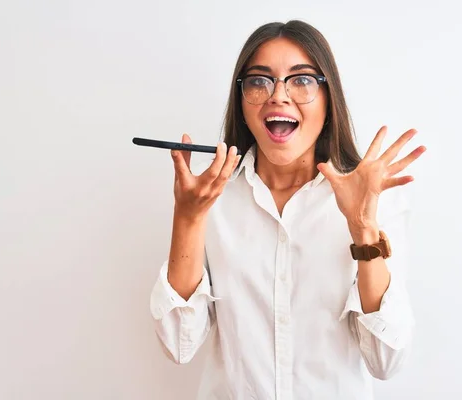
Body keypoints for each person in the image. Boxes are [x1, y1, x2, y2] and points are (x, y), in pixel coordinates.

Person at [149, 19, 426, 400]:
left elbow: (386, 360)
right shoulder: (211, 196)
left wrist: (363, 227)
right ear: (242, 100)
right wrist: (189, 218)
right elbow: (180, 344)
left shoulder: (376, 201)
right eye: (260, 80)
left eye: (301, 80)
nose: (278, 95)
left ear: (330, 100)